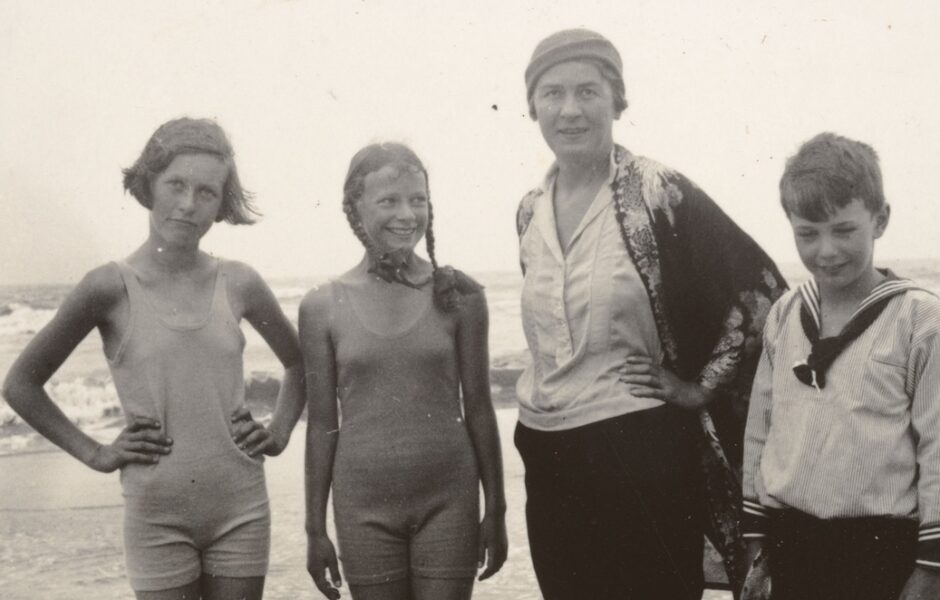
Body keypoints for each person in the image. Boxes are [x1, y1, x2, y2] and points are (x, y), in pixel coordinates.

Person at [514, 29, 786, 599]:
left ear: (617, 101)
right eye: (552, 93)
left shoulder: (657, 189)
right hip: (546, 449)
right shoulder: (529, 210)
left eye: (588, 91)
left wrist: (700, 385)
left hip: (637, 444)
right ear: (532, 106)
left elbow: (760, 289)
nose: (570, 109)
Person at [1, 117, 306, 600]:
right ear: (148, 185)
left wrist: (280, 431)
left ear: (221, 205)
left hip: (241, 507)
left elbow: (300, 363)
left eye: (206, 192)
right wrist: (96, 453)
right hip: (156, 516)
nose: (188, 204)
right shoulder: (108, 286)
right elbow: (20, 384)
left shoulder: (240, 282)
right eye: (176, 185)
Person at [301, 143, 507, 600]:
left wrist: (496, 509)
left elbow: (479, 407)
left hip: (449, 501)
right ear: (355, 207)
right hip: (363, 508)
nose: (407, 214)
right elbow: (320, 424)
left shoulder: (458, 295)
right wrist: (314, 529)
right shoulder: (322, 306)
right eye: (389, 201)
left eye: (418, 200)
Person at [741, 133, 940, 600]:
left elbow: (938, 449)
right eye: (808, 234)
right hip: (789, 543)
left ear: (880, 220)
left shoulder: (920, 320)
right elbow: (760, 431)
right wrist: (755, 539)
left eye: (844, 230)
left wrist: (930, 571)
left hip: (881, 551)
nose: (826, 251)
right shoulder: (785, 314)